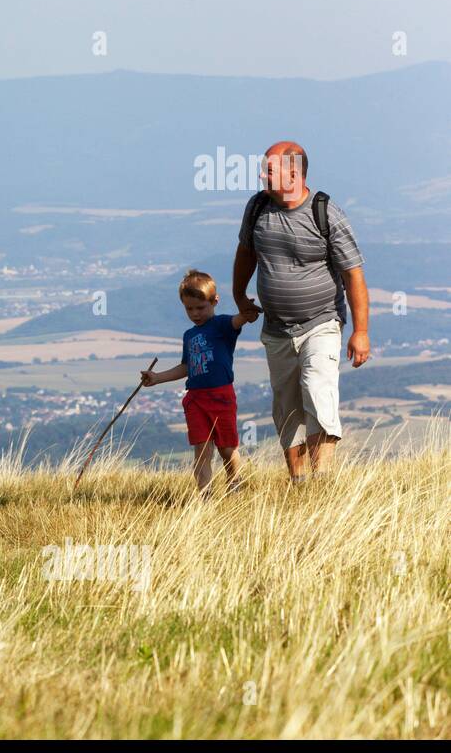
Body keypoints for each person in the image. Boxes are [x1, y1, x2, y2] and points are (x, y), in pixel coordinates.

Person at [232, 141, 369, 483]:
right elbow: (246, 252)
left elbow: (353, 274)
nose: (262, 174)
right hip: (276, 328)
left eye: (270, 169)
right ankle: (299, 482)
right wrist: (239, 295)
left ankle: (321, 481)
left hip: (321, 322)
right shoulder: (257, 207)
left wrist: (361, 331)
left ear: (293, 173)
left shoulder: (326, 213)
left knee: (318, 391)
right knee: (287, 407)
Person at [141, 269, 259, 494]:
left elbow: (240, 320)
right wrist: (157, 378)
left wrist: (247, 311)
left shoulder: (222, 325)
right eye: (189, 308)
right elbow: (187, 367)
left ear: (215, 301)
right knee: (201, 450)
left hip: (221, 396)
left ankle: (235, 485)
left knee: (227, 449)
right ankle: (205, 497)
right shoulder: (189, 336)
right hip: (196, 399)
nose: (195, 313)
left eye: (200, 307)